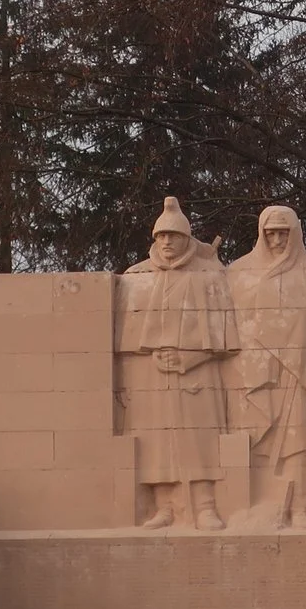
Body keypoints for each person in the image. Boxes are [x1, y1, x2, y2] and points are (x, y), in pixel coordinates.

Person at [116, 197, 239, 529]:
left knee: (200, 440)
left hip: (197, 375)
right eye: (161, 236)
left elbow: (226, 338)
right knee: (156, 443)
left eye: (174, 235)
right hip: (150, 375)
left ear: (187, 239)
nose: (168, 242)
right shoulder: (136, 276)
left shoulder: (209, 275)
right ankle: (165, 507)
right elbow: (125, 342)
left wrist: (190, 357)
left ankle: (205, 506)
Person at [225, 204, 306, 529]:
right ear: (260, 234)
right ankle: (258, 505)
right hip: (256, 376)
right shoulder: (238, 273)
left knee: (302, 441)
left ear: (296, 233)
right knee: (254, 438)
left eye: (283, 232)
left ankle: (302, 506)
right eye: (270, 233)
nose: (277, 239)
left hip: (303, 373)